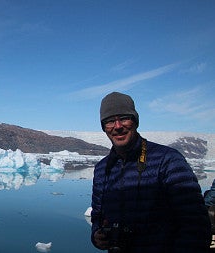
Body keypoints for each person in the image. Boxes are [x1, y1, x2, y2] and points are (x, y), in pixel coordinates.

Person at [90, 92, 211, 253]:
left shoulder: (167, 160)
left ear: (135, 121)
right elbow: (97, 216)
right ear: (104, 127)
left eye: (124, 118)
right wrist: (96, 235)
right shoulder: (102, 169)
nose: (118, 126)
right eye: (110, 121)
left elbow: (196, 225)